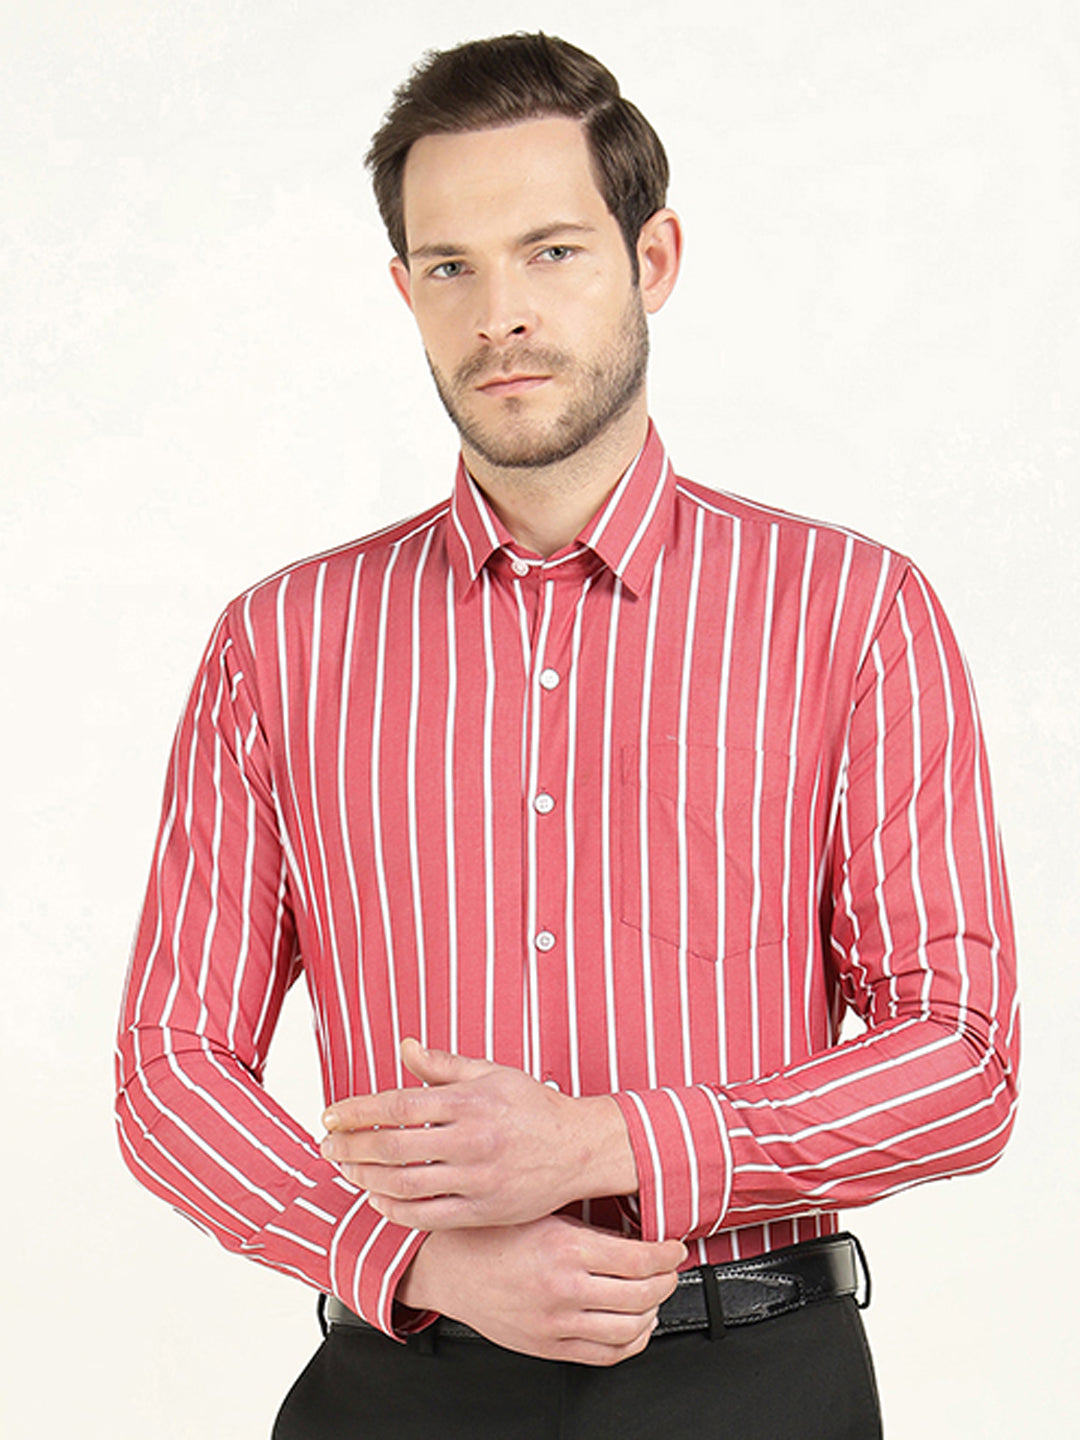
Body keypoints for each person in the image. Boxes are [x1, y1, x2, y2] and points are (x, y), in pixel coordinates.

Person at [115, 32, 1019, 1440]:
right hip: (398, 1387)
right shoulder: (279, 644)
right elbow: (169, 1069)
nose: (502, 316)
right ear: (405, 292)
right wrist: (409, 1260)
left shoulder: (852, 611)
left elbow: (963, 1063)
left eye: (551, 252)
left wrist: (603, 1143)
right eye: (452, 267)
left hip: (755, 1383)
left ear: (651, 259)